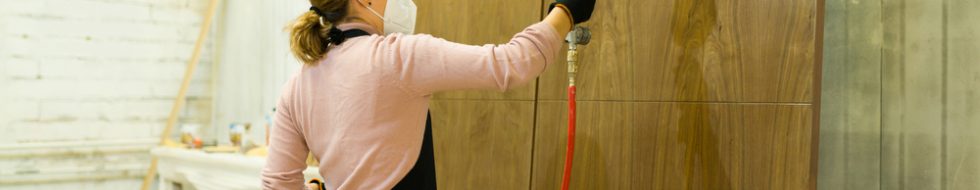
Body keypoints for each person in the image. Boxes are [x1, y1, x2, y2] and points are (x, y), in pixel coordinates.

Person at [260, 0, 595, 189]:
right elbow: (509, 64)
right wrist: (565, 12)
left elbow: (277, 183)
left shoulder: (298, 85)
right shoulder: (398, 56)